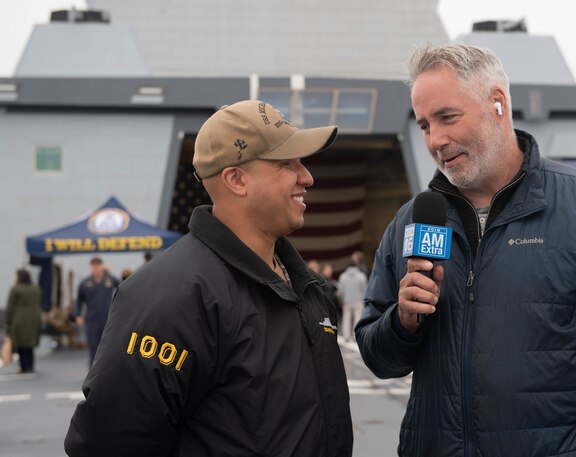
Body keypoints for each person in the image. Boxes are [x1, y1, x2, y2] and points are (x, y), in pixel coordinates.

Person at [355, 44, 576, 456]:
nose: (436, 140)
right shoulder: (412, 222)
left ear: (497, 104)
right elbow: (378, 357)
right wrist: (402, 322)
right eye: (423, 125)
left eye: (447, 117)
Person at [65, 100, 353, 456]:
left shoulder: (308, 288)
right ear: (236, 180)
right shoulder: (171, 296)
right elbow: (108, 443)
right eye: (287, 163)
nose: (306, 176)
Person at [73, 256, 119, 366]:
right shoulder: (85, 283)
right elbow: (78, 300)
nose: (96, 268)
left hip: (107, 319)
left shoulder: (110, 280)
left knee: (107, 345)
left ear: (102, 266)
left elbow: (123, 290)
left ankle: (105, 372)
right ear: (91, 267)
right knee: (93, 346)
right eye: (93, 266)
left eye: (98, 265)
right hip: (92, 319)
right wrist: (78, 315)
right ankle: (92, 372)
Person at [4, 269, 42, 373]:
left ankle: (24, 366)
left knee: (20, 343)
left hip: (19, 319)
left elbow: (10, 306)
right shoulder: (36, 289)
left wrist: (8, 320)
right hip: (34, 318)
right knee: (30, 343)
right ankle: (30, 365)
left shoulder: (16, 289)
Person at [337, 260, 367, 342]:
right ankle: (356, 335)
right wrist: (364, 301)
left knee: (346, 318)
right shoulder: (361, 276)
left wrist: (341, 300)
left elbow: (340, 291)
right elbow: (365, 290)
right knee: (357, 318)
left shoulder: (343, 276)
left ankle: (346, 336)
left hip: (347, 300)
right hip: (358, 301)